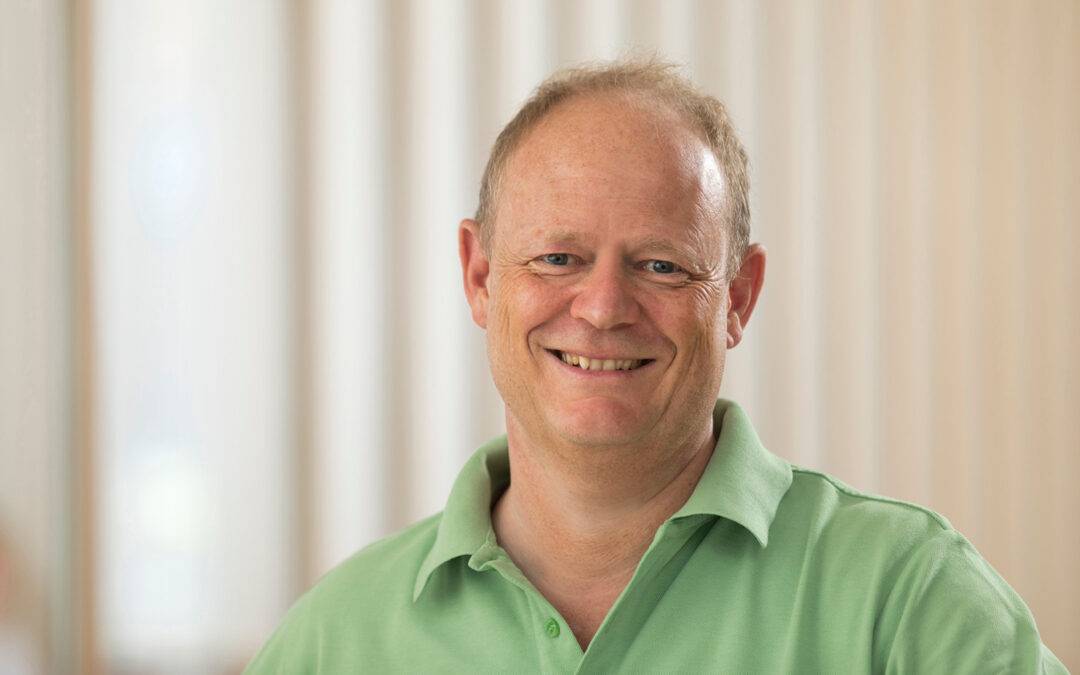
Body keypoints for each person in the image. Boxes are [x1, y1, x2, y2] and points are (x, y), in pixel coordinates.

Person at [245, 60, 1067, 673]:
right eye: (559, 257)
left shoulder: (908, 603)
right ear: (480, 276)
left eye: (663, 266)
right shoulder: (334, 640)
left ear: (739, 296)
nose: (603, 307)